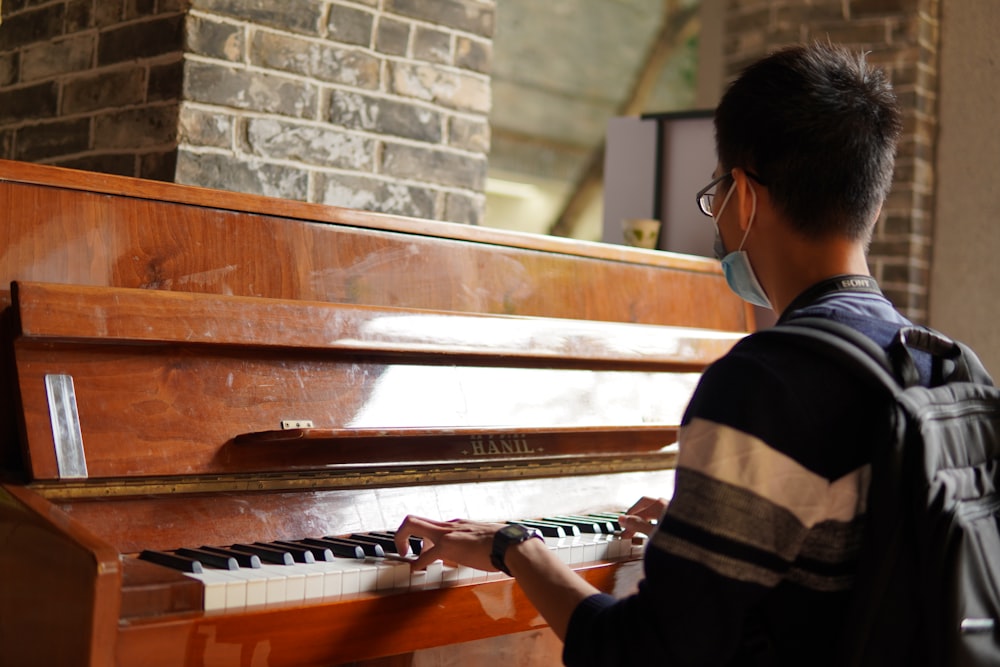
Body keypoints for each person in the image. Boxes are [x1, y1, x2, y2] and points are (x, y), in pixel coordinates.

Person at [394, 41, 908, 666]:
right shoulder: (948, 369)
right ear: (873, 203)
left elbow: (637, 655)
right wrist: (707, 530)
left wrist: (513, 548)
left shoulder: (764, 383)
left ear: (742, 195)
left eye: (717, 193)